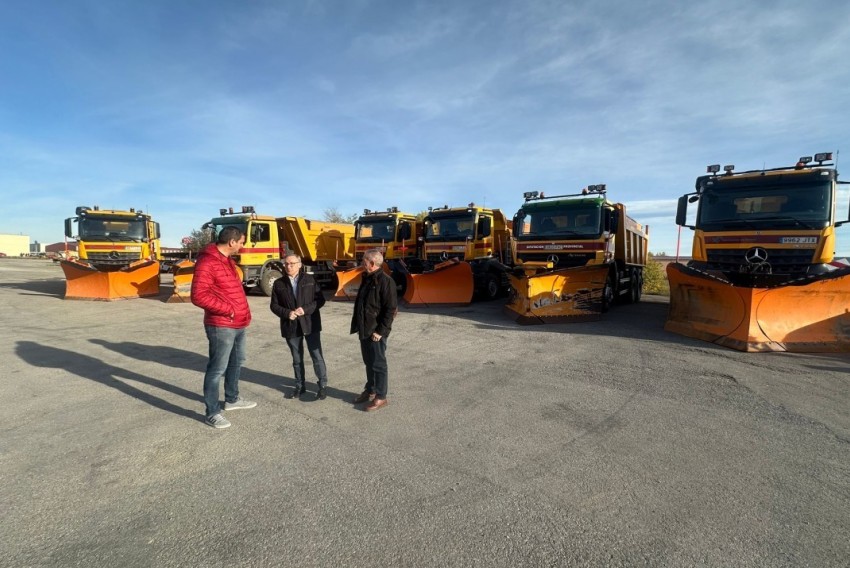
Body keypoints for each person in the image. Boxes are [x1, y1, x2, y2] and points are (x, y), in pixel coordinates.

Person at [191, 226, 256, 429]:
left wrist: (240, 313)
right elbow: (198, 295)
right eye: (241, 242)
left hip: (238, 323)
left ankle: (232, 399)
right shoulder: (208, 262)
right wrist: (228, 310)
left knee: (237, 362)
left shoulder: (227, 261)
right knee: (217, 368)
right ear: (232, 242)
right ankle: (212, 412)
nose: (242, 246)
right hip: (221, 325)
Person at [270, 253, 329, 400]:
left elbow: (320, 300)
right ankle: (300, 386)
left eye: (292, 263)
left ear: (299, 264)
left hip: (310, 323)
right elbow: (274, 305)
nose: (288, 266)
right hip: (291, 325)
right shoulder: (279, 283)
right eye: (286, 264)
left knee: (316, 356)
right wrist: (286, 313)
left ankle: (322, 386)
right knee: (297, 359)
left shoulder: (310, 280)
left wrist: (305, 309)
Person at [350, 249, 398, 411]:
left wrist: (380, 331)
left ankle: (381, 396)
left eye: (364, 260)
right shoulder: (367, 278)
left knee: (378, 364)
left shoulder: (385, 281)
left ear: (371, 263)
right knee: (368, 362)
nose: (362, 263)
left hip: (375, 332)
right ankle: (370, 390)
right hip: (364, 329)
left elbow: (390, 309)